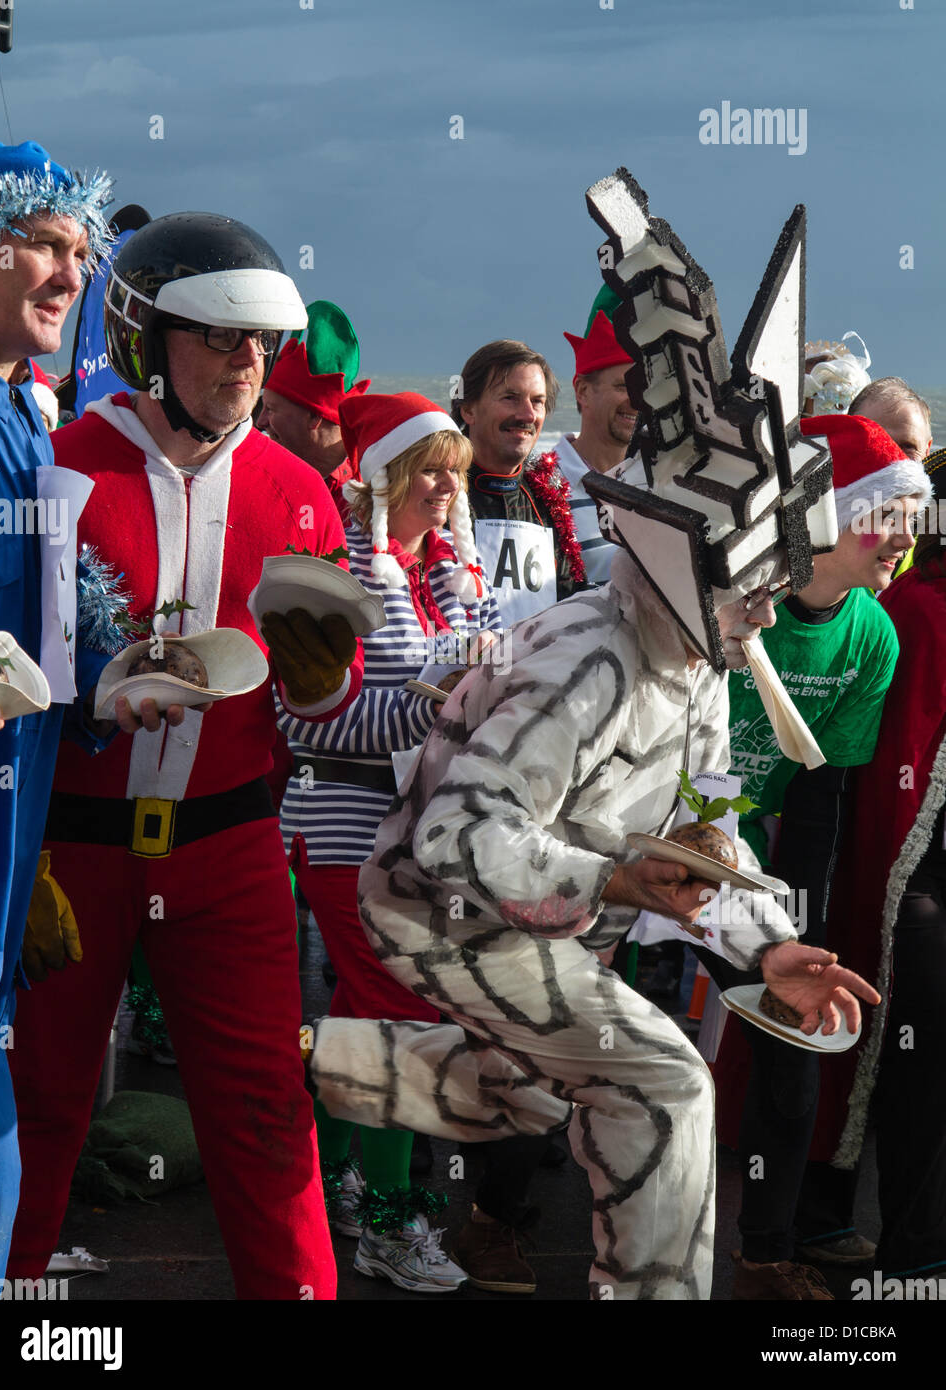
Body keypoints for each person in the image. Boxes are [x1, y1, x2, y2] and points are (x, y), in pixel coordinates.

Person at [305, 166, 881, 1300]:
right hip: (439, 910)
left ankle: (290, 1071)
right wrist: (616, 876)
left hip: (551, 923)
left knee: (520, 1089)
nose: (770, 606)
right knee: (661, 1083)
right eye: (751, 580)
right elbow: (456, 843)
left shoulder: (702, 668)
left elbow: (706, 838)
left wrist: (766, 944)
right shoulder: (592, 658)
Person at [6, 211, 364, 1300]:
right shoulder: (57, 469)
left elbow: (329, 702)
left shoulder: (299, 488)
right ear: (146, 341)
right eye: (218, 338)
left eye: (259, 342)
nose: (246, 364)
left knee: (264, 1103)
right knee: (35, 1105)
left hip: (231, 844)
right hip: (71, 842)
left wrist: (324, 684)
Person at [280, 391, 502, 1292]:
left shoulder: (444, 571)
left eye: (455, 467)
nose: (448, 484)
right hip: (342, 819)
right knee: (401, 1013)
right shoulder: (341, 571)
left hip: (424, 826)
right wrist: (433, 700)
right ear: (384, 477)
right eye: (431, 467)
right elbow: (307, 719)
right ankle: (386, 1220)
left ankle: (333, 1180)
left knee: (372, 1014)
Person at [707, 412, 930, 1298]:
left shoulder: (870, 633)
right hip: (659, 833)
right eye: (888, 516)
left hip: (771, 850)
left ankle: (762, 1254)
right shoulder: (727, 597)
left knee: (792, 1050)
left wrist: (787, 916)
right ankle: (497, 1215)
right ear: (827, 516)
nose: (905, 540)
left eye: (914, 519)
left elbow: (820, 793)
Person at [0, 139, 115, 1293]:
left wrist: (118, 674)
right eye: (47, 246)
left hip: (4, 841)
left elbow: (53, 630)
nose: (73, 273)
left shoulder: (27, 420)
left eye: (84, 250)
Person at [452, 339, 587, 620]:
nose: (527, 415)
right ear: (468, 409)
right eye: (510, 398)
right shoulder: (436, 492)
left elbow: (571, 603)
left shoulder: (548, 499)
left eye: (537, 401)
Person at [261, 298, 370, 515]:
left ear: (314, 417)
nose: (260, 421)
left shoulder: (371, 493)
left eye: (271, 409)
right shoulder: (258, 473)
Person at [552, 310, 637, 583]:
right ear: (583, 391)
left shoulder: (663, 480)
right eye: (624, 387)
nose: (637, 401)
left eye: (645, 389)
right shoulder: (542, 485)